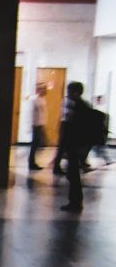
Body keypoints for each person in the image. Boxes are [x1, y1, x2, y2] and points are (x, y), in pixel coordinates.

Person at [60, 81, 90, 213]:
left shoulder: (79, 107)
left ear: (76, 92)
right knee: (72, 175)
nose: (68, 94)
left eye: (69, 91)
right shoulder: (82, 105)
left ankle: (75, 202)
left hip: (75, 145)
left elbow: (75, 128)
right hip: (76, 145)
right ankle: (75, 201)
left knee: (73, 175)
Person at [28, 82, 48, 171]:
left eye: (45, 88)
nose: (45, 90)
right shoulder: (34, 100)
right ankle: (31, 162)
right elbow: (31, 113)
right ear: (38, 90)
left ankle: (32, 161)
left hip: (40, 124)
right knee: (35, 144)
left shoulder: (43, 99)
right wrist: (32, 125)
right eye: (43, 88)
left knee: (38, 144)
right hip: (36, 125)